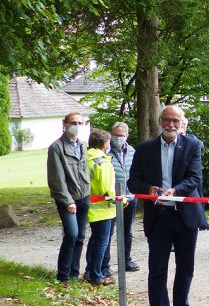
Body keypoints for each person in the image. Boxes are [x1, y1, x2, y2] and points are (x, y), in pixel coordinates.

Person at [128, 105, 205, 306]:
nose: (171, 124)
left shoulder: (192, 146)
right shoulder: (144, 149)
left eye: (176, 121)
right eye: (167, 120)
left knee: (186, 266)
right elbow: (133, 182)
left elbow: (195, 178)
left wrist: (176, 190)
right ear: (160, 121)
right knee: (158, 269)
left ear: (182, 123)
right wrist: (148, 189)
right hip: (158, 216)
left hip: (185, 215)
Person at [47, 112, 90, 285]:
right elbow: (56, 178)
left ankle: (74, 273)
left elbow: (85, 172)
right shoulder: (56, 147)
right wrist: (68, 201)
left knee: (80, 236)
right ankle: (63, 275)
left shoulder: (82, 145)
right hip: (68, 199)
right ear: (65, 124)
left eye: (80, 123)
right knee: (71, 234)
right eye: (74, 122)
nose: (77, 126)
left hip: (84, 196)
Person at [101, 122, 140, 276]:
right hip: (110, 199)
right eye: (115, 135)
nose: (118, 138)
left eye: (121, 136)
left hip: (129, 196)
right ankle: (105, 265)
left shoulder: (132, 151)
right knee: (108, 232)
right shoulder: (105, 151)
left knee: (127, 231)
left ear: (127, 136)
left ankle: (126, 261)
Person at [84, 129, 117, 286]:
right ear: (104, 144)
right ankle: (96, 276)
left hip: (90, 207)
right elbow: (107, 188)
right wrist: (119, 200)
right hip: (104, 209)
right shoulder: (102, 162)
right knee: (102, 242)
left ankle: (90, 270)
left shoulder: (86, 158)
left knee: (95, 240)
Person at [179, 117, 209, 231]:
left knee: (199, 196)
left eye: (185, 124)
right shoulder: (174, 139)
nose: (183, 125)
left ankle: (203, 221)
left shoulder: (192, 137)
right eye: (182, 123)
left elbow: (201, 146)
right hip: (181, 176)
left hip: (194, 173)